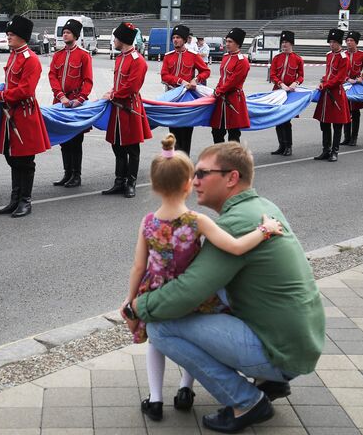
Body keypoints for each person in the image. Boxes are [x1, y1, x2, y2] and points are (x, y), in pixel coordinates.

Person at [128, 142, 325, 433]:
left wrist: (136, 308)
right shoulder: (262, 207)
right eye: (193, 174)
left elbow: (187, 292)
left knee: (160, 327)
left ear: (231, 178)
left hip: (280, 350)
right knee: (216, 294)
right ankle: (270, 381)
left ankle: (246, 401)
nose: (194, 181)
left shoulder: (236, 223)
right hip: (298, 342)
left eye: (203, 173)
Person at [0, 15, 51, 217]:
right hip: (11, 113)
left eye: (12, 34)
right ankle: (14, 199)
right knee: (12, 157)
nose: (8, 36)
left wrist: (0, 95)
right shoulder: (14, 55)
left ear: (22, 36)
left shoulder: (31, 59)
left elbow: (25, 90)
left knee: (25, 160)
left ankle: (25, 201)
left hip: (24, 115)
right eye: (8, 33)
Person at [101, 22, 152, 198]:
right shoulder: (120, 58)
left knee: (132, 148)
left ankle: (131, 182)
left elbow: (131, 86)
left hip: (129, 107)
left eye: (115, 37)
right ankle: (119, 181)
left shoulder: (138, 61)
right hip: (118, 108)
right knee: (117, 146)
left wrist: (113, 95)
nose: (114, 40)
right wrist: (112, 93)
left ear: (122, 39)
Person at [48, 18, 93, 188]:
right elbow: (52, 76)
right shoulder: (58, 55)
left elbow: (88, 80)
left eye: (67, 32)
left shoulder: (83, 55)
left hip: (76, 104)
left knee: (75, 140)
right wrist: (60, 96)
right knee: (63, 140)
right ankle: (67, 174)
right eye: (64, 32)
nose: (64, 35)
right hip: (60, 102)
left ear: (75, 35)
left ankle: (76, 175)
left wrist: (79, 99)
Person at [161, 24, 210, 156]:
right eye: (174, 37)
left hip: (187, 99)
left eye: (178, 37)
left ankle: (184, 162)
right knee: (173, 132)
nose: (175, 40)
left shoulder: (193, 55)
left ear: (184, 40)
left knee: (186, 133)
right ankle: (174, 162)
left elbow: (206, 71)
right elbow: (164, 75)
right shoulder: (168, 56)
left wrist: (196, 79)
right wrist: (180, 81)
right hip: (172, 97)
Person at [314, 29, 350, 162]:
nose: (331, 44)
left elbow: (340, 78)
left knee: (337, 124)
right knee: (324, 123)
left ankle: (335, 151)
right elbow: (329, 73)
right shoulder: (329, 55)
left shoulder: (344, 57)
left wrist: (326, 84)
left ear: (339, 43)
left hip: (336, 93)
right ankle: (326, 150)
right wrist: (323, 80)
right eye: (330, 42)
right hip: (326, 93)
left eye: (334, 42)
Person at [211, 28, 250, 143]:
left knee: (233, 133)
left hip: (233, 100)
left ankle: (233, 159)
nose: (227, 44)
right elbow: (222, 77)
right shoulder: (226, 57)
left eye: (230, 42)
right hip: (221, 99)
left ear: (238, 44)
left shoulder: (242, 61)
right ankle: (220, 157)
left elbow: (233, 81)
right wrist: (217, 88)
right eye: (226, 41)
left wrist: (219, 91)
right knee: (217, 131)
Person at [269, 30, 304, 156]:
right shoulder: (277, 58)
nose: (284, 45)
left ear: (291, 44)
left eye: (287, 42)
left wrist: (295, 84)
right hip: (278, 91)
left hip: (290, 93)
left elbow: (301, 76)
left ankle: (288, 146)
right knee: (278, 119)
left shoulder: (298, 59)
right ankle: (281, 145)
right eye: (283, 42)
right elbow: (272, 75)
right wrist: (281, 84)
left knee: (287, 120)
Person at [341, 31, 363, 147]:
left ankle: (354, 138)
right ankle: (346, 137)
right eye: (347, 40)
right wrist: (347, 79)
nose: (349, 43)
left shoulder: (362, 55)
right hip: (345, 85)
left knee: (355, 112)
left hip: (357, 86)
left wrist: (362, 77)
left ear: (356, 42)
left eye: (351, 40)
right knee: (346, 111)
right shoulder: (343, 54)